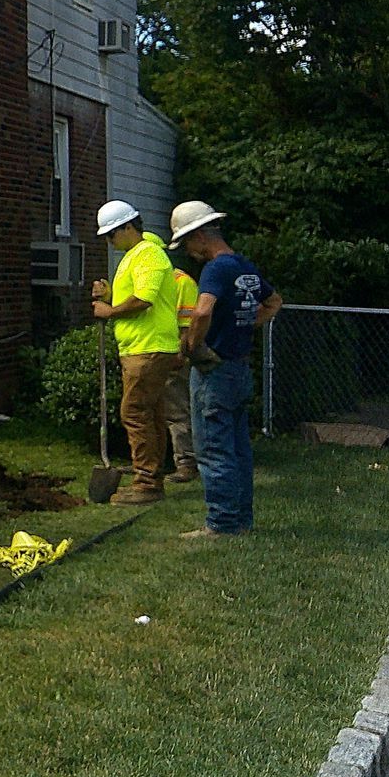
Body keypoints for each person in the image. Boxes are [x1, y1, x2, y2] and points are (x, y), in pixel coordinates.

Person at [171, 201, 283, 538]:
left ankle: (221, 524)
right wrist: (244, 326)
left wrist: (192, 345)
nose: (189, 252)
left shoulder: (216, 269)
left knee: (213, 449)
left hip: (215, 372)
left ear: (200, 235)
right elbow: (274, 302)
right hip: (239, 368)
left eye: (187, 242)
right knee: (238, 449)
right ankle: (241, 521)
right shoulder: (243, 267)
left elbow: (203, 312)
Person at [90, 200, 183, 505]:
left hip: (148, 349)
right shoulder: (135, 256)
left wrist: (110, 310)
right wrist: (110, 296)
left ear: (129, 227)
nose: (109, 241)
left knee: (134, 412)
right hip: (142, 348)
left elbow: (143, 299)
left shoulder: (148, 255)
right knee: (151, 413)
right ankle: (151, 477)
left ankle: (146, 484)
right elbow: (136, 297)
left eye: (112, 234)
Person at [166, 266, 201, 483]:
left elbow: (189, 323)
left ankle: (186, 462)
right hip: (152, 352)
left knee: (177, 409)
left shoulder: (181, 282)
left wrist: (181, 352)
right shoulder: (149, 279)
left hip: (173, 355)